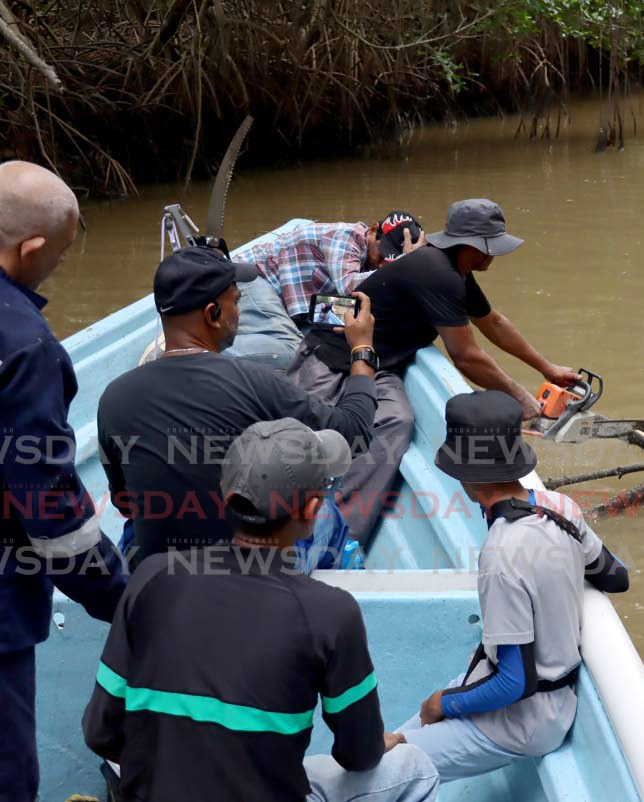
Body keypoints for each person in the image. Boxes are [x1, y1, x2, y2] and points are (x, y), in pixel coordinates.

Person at [82, 419, 440, 802]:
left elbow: (99, 733)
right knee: (415, 767)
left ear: (226, 493)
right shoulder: (331, 613)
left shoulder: (153, 576)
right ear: (314, 509)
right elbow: (359, 754)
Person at [288, 199, 581, 544]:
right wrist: (522, 400)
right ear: (472, 246)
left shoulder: (455, 271)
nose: (493, 257)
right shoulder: (436, 272)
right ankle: (278, 517)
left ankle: (340, 533)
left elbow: (494, 323)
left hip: (380, 365)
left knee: (397, 421)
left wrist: (549, 369)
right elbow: (466, 356)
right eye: (490, 247)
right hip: (328, 359)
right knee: (295, 440)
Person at [96, 245, 380, 571]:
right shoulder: (252, 383)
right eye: (236, 301)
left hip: (162, 573)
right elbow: (354, 432)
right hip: (244, 570)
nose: (239, 313)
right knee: (324, 507)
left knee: (136, 526)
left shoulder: (113, 398)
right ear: (212, 314)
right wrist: (362, 349)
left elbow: (124, 504)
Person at [394, 391, 629, 782]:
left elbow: (512, 682)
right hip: (553, 700)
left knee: (381, 767)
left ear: (465, 475)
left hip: (523, 722)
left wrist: (442, 703)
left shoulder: (500, 555)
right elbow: (615, 577)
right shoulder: (560, 507)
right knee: (389, 744)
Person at [0, 161, 129, 802]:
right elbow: (48, 502)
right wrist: (120, 598)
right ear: (31, 250)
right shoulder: (25, 346)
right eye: (58, 257)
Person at [226, 211, 425, 369]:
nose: (382, 265)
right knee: (294, 351)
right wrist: (401, 265)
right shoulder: (346, 236)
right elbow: (349, 287)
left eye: (389, 261)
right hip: (251, 278)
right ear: (373, 230)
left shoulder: (372, 265)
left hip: (286, 302)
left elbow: (333, 309)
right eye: (382, 255)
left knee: (318, 346)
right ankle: (201, 358)